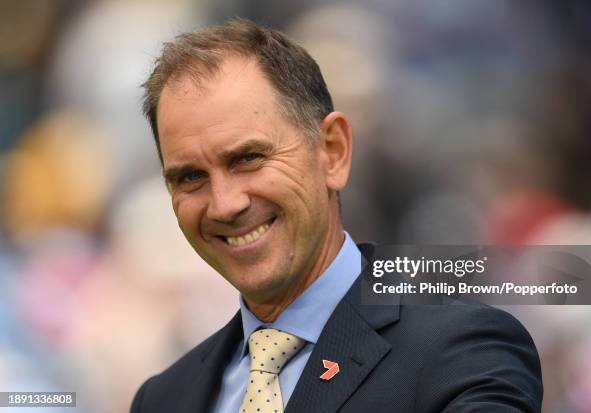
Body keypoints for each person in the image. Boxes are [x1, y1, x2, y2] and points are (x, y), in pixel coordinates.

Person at [130, 19, 542, 413]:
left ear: (333, 151)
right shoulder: (163, 399)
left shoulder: (462, 352)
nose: (224, 204)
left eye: (249, 158)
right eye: (190, 177)